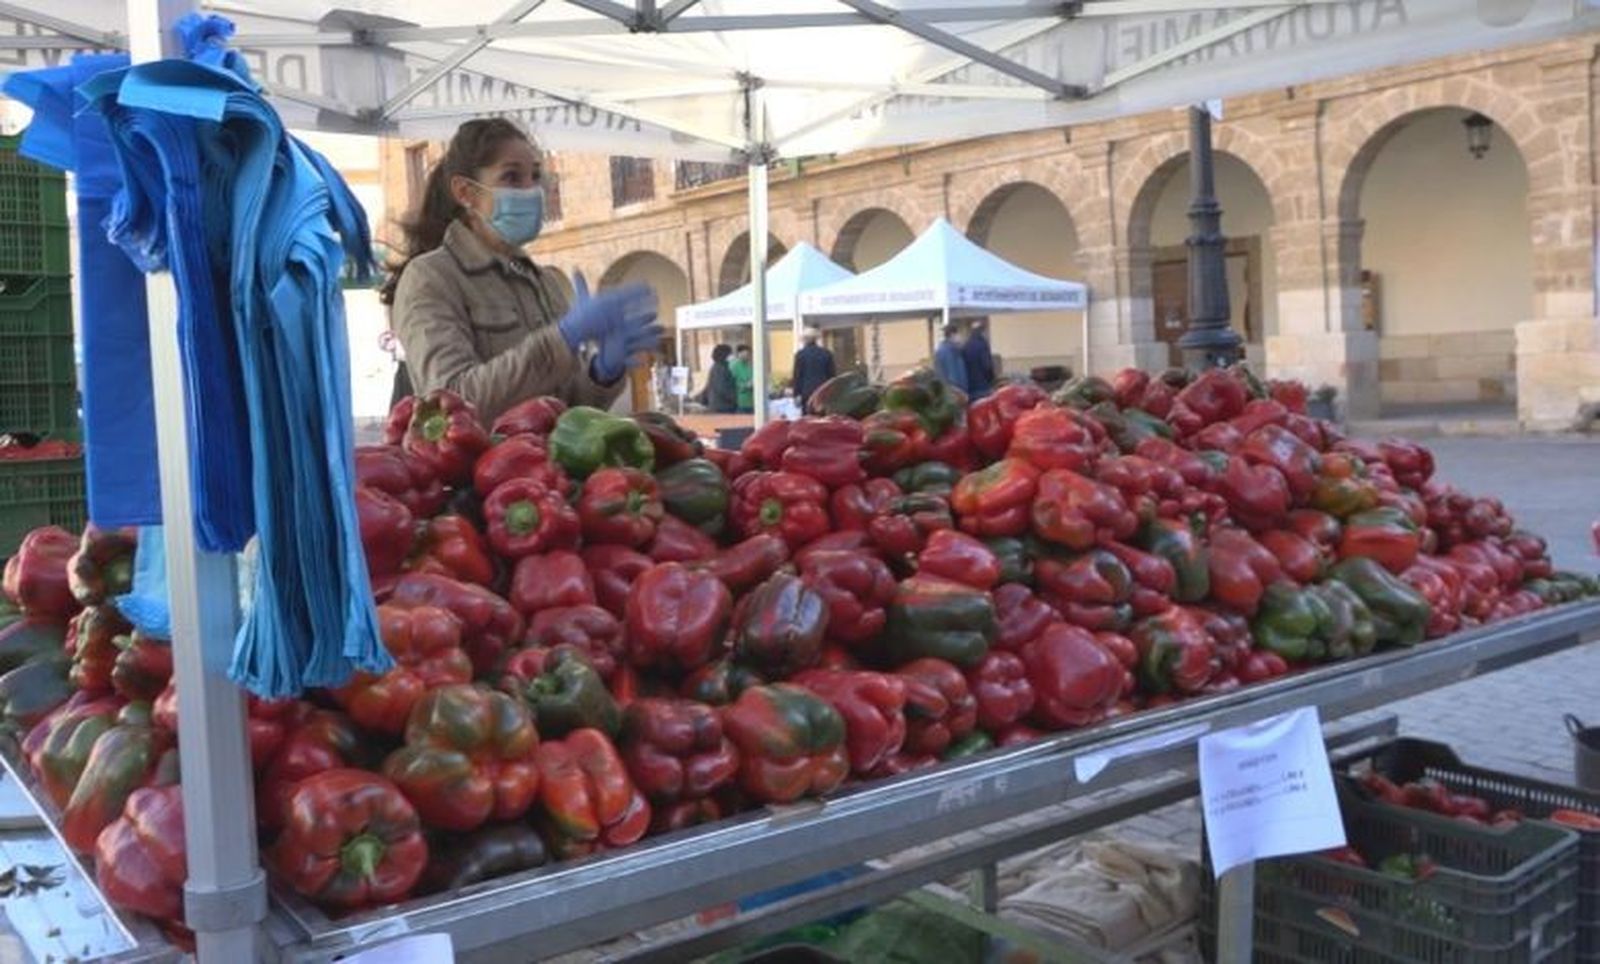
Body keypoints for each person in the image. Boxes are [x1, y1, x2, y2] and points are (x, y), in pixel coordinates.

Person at [382, 118, 661, 423]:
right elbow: (450, 405)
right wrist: (563, 338)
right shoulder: (430, 278)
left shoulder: (544, 282)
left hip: (546, 455)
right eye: (512, 177)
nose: (531, 190)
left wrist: (601, 373)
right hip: (486, 456)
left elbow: (565, 411)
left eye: (536, 176)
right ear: (465, 192)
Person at [792, 327, 837, 411]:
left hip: (806, 392)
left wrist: (796, 394)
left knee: (808, 416)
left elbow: (797, 376)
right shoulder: (827, 353)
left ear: (804, 340)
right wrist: (833, 393)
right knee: (822, 415)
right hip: (823, 391)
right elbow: (832, 375)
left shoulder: (800, 355)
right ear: (816, 339)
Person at [963, 317, 996, 399]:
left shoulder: (966, 345)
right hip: (983, 386)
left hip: (970, 387)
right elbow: (987, 366)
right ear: (982, 331)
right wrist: (992, 379)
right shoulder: (982, 344)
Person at [699, 344, 738, 413]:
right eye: (730, 353)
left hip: (719, 404)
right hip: (723, 406)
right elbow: (721, 388)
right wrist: (734, 398)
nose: (733, 356)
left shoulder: (719, 367)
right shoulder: (720, 368)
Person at [933, 322, 969, 395]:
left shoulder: (952, 349)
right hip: (955, 393)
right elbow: (952, 376)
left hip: (953, 392)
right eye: (959, 334)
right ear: (952, 335)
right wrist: (960, 392)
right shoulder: (948, 351)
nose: (960, 337)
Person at [731, 344, 755, 413]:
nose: (748, 356)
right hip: (740, 402)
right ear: (739, 353)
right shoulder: (734, 366)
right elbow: (732, 383)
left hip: (751, 401)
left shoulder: (749, 365)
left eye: (749, 354)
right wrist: (746, 385)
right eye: (746, 354)